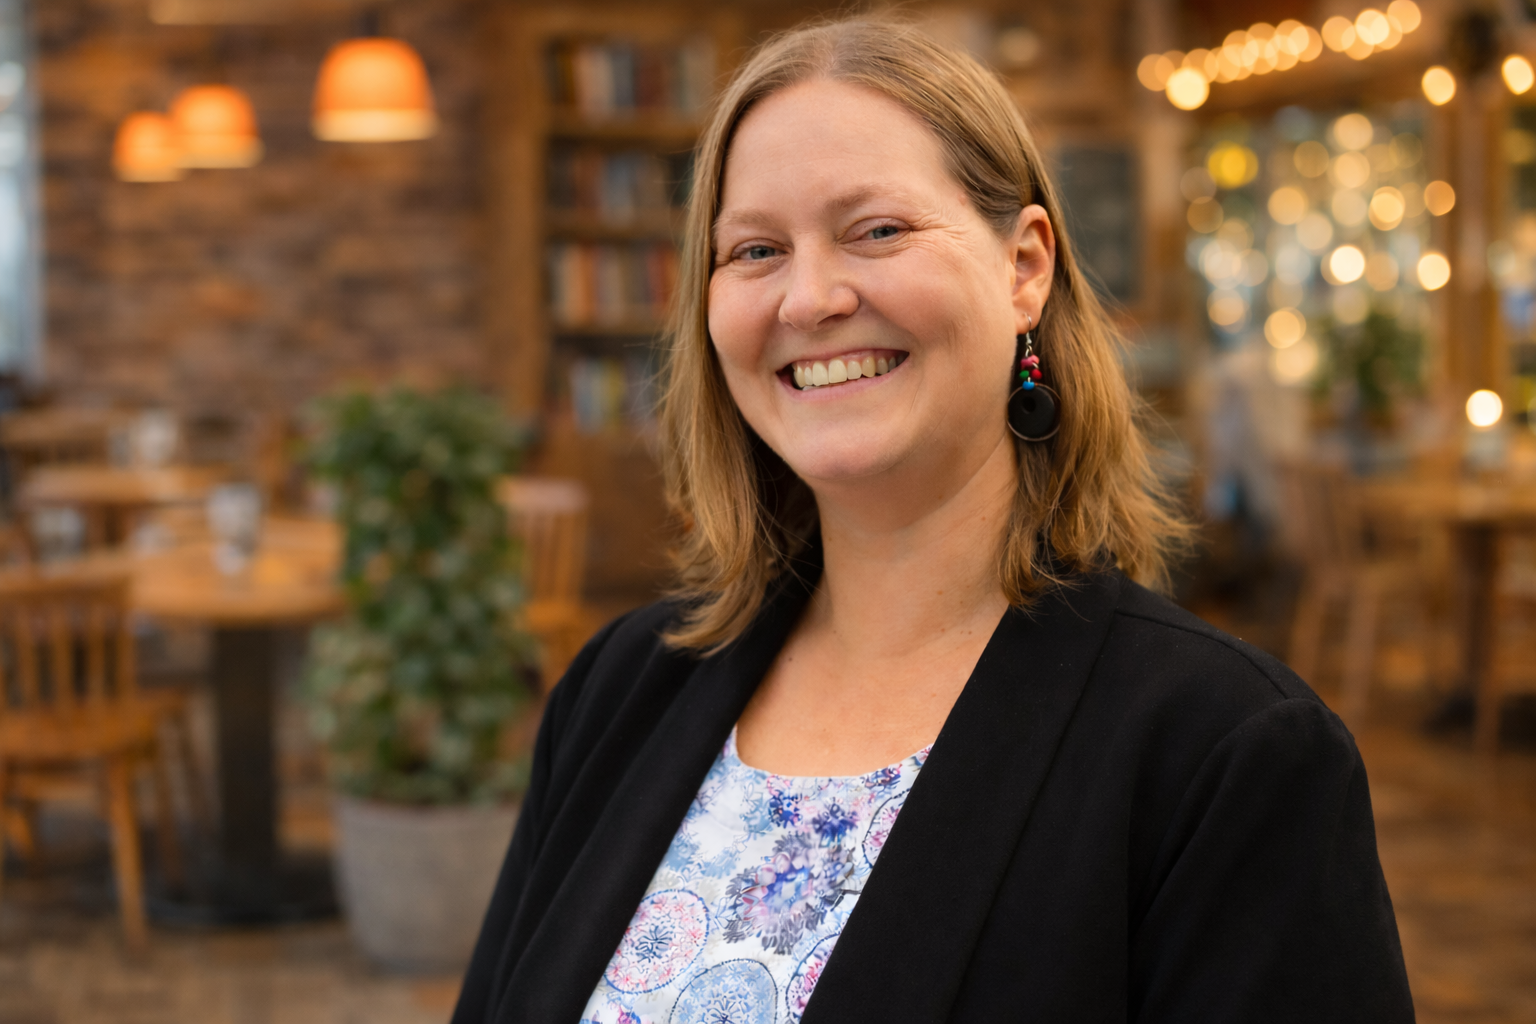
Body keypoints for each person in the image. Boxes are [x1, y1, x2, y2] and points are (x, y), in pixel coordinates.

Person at [453, 16, 1413, 1024]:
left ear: (1024, 267)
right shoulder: (617, 692)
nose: (810, 298)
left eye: (877, 229)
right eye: (756, 250)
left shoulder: (1225, 754)